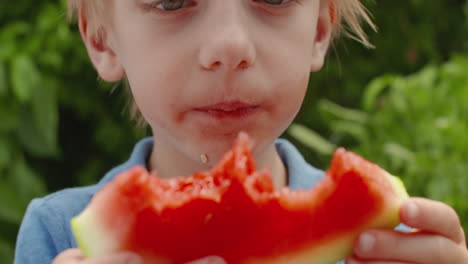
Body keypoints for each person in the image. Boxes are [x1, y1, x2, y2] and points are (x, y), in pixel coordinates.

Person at [15, 0, 468, 263]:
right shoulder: (57, 234)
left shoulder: (380, 245)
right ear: (101, 40)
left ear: (319, 31)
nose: (230, 46)